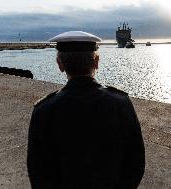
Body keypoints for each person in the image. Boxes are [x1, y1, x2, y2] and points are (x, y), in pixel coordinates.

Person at [27, 31, 145, 189]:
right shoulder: (121, 104)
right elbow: (135, 164)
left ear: (60, 64)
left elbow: (38, 172)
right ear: (96, 62)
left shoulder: (43, 110)